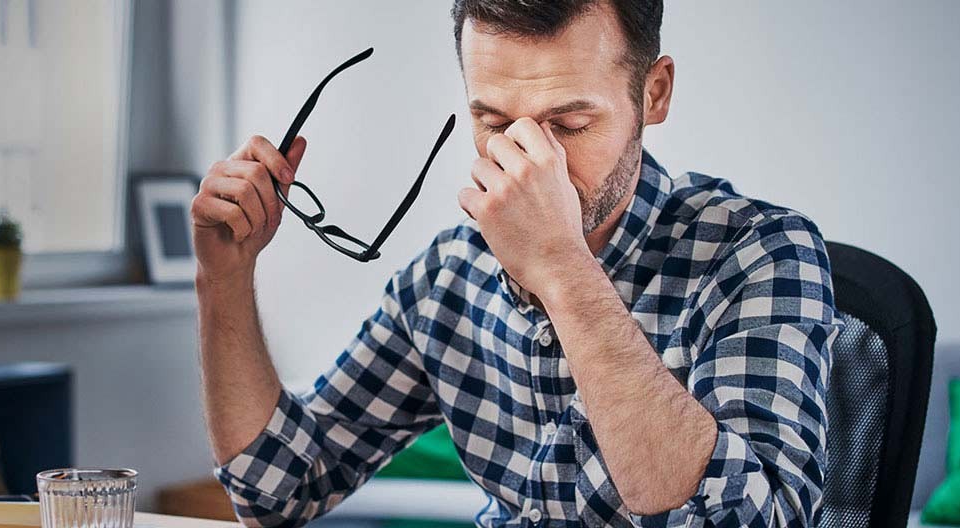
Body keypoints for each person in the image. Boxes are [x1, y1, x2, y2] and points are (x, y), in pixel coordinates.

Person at [190, 1, 838, 526]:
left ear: (654, 93)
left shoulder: (759, 253)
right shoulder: (448, 278)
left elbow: (751, 521)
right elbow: (276, 491)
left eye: (570, 123)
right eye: (494, 121)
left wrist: (563, 267)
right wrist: (224, 281)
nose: (529, 161)